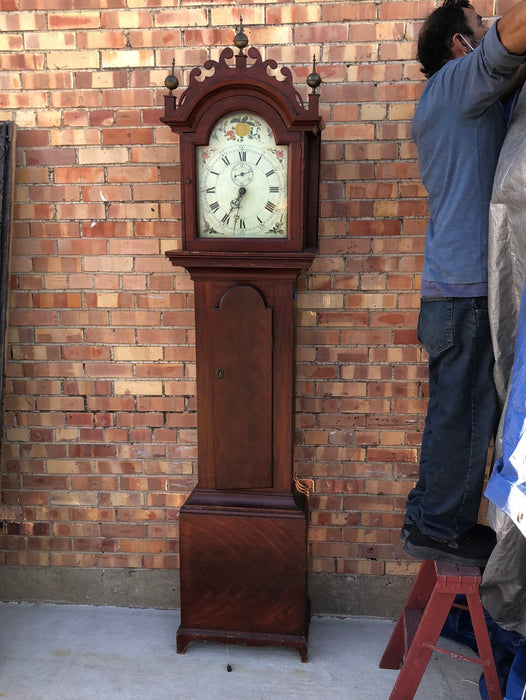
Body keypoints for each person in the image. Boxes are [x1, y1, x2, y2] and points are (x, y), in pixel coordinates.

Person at [402, 0, 526, 567]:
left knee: (451, 410)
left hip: (451, 288)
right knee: (469, 411)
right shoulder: (459, 83)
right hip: (467, 290)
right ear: (461, 43)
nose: (488, 31)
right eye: (480, 26)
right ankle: (438, 524)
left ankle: (428, 513)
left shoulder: (445, 101)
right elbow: (515, 35)